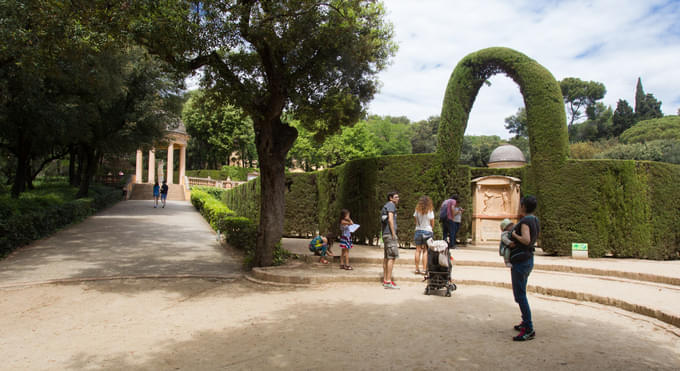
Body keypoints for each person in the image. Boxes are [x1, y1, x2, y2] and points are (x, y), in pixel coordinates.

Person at [509, 195, 540, 341]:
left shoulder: (526, 221)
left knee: (520, 295)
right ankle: (525, 322)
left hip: (521, 261)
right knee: (521, 292)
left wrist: (514, 234)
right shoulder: (534, 219)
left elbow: (526, 240)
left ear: (523, 206)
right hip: (528, 259)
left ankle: (528, 327)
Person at [381, 191, 400, 289]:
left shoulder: (386, 205)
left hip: (385, 234)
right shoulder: (391, 205)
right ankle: (388, 281)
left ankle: (385, 279)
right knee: (392, 257)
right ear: (391, 198)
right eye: (396, 197)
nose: (398, 198)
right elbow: (390, 220)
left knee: (387, 257)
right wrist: (393, 234)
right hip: (389, 235)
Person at [413, 195, 434, 275]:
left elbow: (415, 220)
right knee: (425, 251)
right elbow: (432, 222)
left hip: (418, 230)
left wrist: (419, 226)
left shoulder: (417, 210)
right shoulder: (430, 211)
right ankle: (424, 269)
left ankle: (416, 269)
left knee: (417, 250)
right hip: (427, 231)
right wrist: (430, 229)